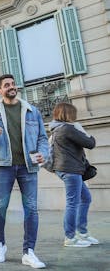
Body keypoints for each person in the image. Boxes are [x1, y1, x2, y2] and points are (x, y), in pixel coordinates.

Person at [0, 74, 48, 269]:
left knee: (32, 208)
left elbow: (42, 137)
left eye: (13, 84)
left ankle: (29, 252)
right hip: (2, 165)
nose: (11, 87)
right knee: (0, 207)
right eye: (6, 85)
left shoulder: (32, 111)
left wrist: (43, 153)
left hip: (28, 165)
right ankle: (0, 245)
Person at [49, 102, 98, 247]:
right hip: (70, 170)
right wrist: (84, 130)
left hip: (67, 169)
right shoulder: (67, 129)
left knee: (85, 198)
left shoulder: (57, 129)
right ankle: (70, 237)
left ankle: (82, 232)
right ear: (68, 114)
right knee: (73, 203)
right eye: (73, 113)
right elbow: (90, 143)